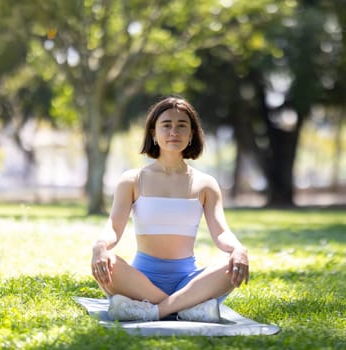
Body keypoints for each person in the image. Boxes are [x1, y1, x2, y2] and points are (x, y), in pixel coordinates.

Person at [91, 96, 249, 323]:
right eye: (166, 125)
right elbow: (114, 228)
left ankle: (155, 311)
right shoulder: (132, 180)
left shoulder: (206, 183)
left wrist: (239, 250)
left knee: (230, 263)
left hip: (189, 281)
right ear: (153, 133)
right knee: (109, 262)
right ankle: (187, 308)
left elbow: (222, 232)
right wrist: (100, 246)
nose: (174, 131)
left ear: (191, 134)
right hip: (141, 282)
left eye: (182, 125)